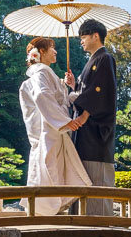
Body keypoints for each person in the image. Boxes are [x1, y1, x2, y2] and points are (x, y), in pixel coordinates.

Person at [18, 36, 91, 215]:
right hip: (48, 130)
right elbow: (42, 96)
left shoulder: (46, 74)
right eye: (51, 47)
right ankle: (43, 211)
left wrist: (70, 86)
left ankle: (48, 209)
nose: (55, 51)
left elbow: (60, 100)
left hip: (53, 129)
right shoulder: (41, 74)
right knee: (48, 167)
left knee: (53, 168)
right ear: (42, 52)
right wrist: (65, 121)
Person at [64, 17, 117, 216]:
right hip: (84, 130)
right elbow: (87, 90)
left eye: (84, 37)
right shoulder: (92, 61)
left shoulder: (105, 58)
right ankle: (81, 220)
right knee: (82, 174)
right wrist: (74, 85)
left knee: (96, 176)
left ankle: (98, 224)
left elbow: (100, 92)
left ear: (96, 36)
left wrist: (85, 115)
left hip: (96, 129)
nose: (81, 41)